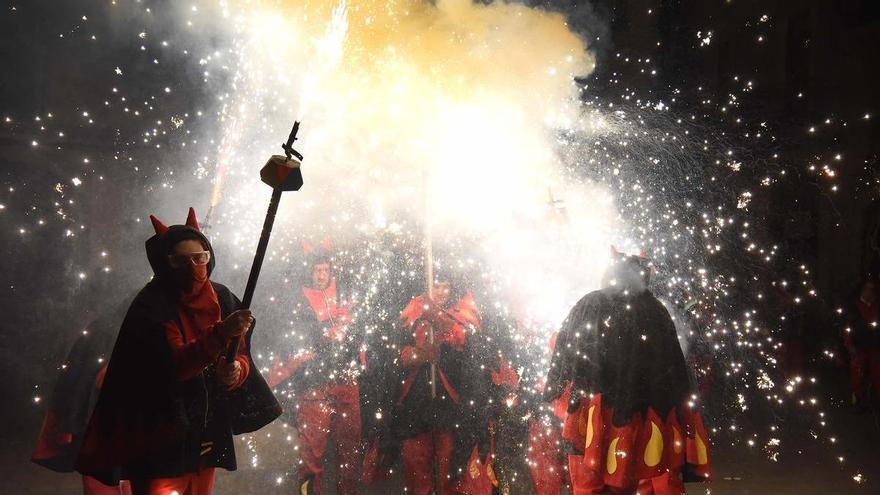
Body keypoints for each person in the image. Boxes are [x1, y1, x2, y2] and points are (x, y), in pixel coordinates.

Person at [76, 208, 281, 495]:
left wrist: (235, 371)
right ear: (164, 263)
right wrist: (222, 332)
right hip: (160, 441)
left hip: (206, 435)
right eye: (180, 261)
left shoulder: (222, 297)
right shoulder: (153, 306)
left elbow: (241, 354)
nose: (193, 267)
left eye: (200, 258)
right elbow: (177, 366)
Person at [544, 252, 711, 495]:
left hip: (591, 413)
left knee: (587, 483)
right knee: (624, 481)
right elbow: (673, 365)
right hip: (636, 417)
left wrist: (556, 389)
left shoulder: (590, 303)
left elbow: (563, 350)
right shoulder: (655, 309)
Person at [267, 241, 363, 494]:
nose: (321, 275)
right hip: (312, 386)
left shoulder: (345, 294)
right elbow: (291, 337)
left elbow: (360, 332)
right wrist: (322, 335)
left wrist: (348, 335)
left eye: (325, 270)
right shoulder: (295, 298)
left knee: (351, 450)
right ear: (309, 271)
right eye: (317, 270)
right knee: (311, 453)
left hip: (346, 381)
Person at [392, 276, 484, 495]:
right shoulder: (413, 311)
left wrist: (438, 318)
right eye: (436, 286)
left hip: (449, 408)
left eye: (445, 287)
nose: (441, 292)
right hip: (416, 405)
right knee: (417, 474)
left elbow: (465, 344)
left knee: (449, 476)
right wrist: (419, 355)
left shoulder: (463, 313)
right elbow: (396, 352)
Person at [843, 278, 880, 410]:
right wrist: (850, 345)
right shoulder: (854, 307)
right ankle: (858, 400)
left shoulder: (877, 307)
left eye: (872, 289)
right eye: (866, 289)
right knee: (857, 374)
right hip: (858, 347)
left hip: (875, 347)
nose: (869, 292)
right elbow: (848, 328)